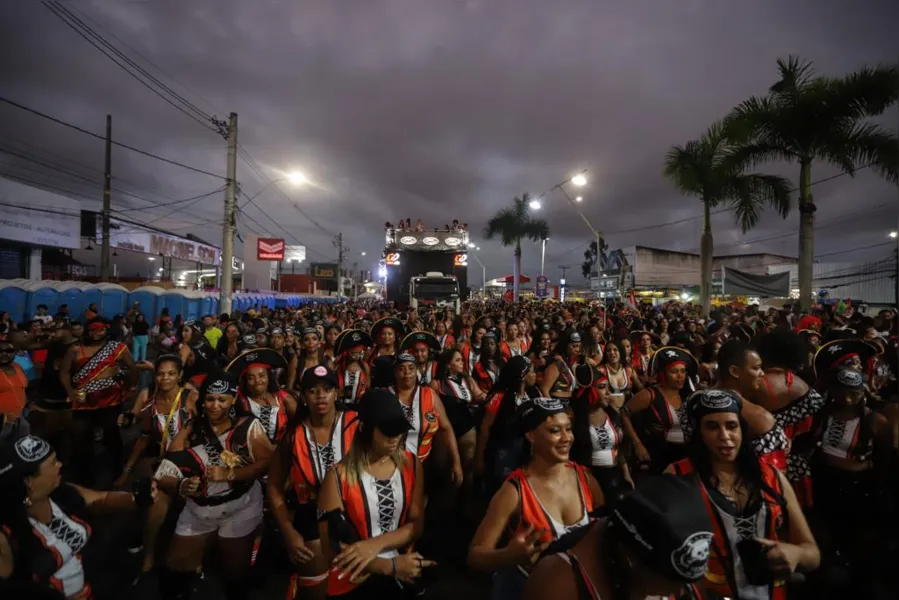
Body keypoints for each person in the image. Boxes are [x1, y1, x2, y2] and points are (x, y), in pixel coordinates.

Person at [666, 388, 820, 599]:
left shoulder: (771, 477)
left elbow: (813, 554)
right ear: (698, 433)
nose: (724, 436)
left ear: (742, 430)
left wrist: (796, 554)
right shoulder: (679, 476)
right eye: (712, 427)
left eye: (732, 426)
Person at [153, 372, 274, 600]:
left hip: (241, 506)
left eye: (222, 399)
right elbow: (166, 467)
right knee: (174, 570)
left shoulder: (248, 425)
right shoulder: (192, 426)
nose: (215, 405)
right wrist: (182, 484)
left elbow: (267, 462)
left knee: (234, 574)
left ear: (232, 400)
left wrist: (231, 473)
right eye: (210, 399)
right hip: (198, 510)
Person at [469, 397, 603, 600]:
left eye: (568, 428)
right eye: (555, 431)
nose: (566, 438)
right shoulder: (514, 491)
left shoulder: (585, 478)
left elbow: (604, 527)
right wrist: (508, 556)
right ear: (531, 435)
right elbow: (475, 556)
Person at [0, 434, 157, 599]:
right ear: (29, 481)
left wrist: (136, 498)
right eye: (53, 463)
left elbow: (99, 500)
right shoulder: (6, 534)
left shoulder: (60, 493)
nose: (60, 465)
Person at [317, 389, 432, 599]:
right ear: (364, 429)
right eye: (388, 431)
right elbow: (331, 549)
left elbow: (417, 525)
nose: (395, 438)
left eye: (399, 430)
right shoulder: (337, 477)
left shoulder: (412, 464)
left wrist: (374, 545)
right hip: (354, 581)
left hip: (401, 572)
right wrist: (389, 566)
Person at [523, 476, 712, 600]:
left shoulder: (681, 555)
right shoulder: (560, 587)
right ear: (632, 561)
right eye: (671, 581)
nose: (679, 592)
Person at [268, 365, 360, 600]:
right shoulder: (292, 434)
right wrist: (288, 532)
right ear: (304, 397)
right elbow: (274, 486)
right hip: (310, 514)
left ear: (336, 393)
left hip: (356, 513)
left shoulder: (357, 424)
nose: (321, 396)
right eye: (313, 390)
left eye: (327, 389)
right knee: (315, 591)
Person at [115, 354, 198, 575]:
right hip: (159, 456)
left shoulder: (191, 398)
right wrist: (127, 470)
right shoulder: (148, 395)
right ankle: (149, 552)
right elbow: (143, 433)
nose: (165, 378)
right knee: (148, 495)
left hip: (189, 459)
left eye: (171, 374)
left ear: (180, 375)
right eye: (160, 374)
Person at [59, 317, 138, 485]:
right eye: (92, 330)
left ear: (107, 330)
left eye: (100, 329)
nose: (96, 333)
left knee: (112, 435)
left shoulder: (117, 348)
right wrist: (70, 392)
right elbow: (64, 372)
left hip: (110, 399)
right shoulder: (75, 350)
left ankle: (116, 470)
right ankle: (83, 476)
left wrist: (129, 387)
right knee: (81, 438)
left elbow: (132, 368)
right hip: (83, 401)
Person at [621, 346, 696, 475]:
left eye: (683, 371)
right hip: (660, 455)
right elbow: (624, 412)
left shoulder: (688, 395)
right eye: (674, 371)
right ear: (663, 374)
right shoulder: (650, 394)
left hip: (686, 453)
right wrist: (637, 444)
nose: (680, 376)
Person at [390, 354, 463, 484]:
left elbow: (446, 429)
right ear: (395, 372)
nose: (407, 373)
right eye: (401, 368)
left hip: (424, 463)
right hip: (391, 464)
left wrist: (456, 462)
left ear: (416, 371)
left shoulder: (429, 395)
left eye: (411, 368)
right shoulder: (385, 396)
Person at [570, 364, 634, 504]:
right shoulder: (575, 418)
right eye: (601, 387)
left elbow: (619, 449)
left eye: (607, 388)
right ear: (589, 391)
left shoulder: (612, 414)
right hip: (590, 477)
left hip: (615, 475)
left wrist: (626, 474)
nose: (607, 393)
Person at [227, 348, 298, 444]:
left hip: (282, 452)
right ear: (245, 382)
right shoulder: (239, 403)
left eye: (262, 376)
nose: (257, 381)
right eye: (251, 378)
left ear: (269, 377)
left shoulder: (284, 398)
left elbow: (300, 425)